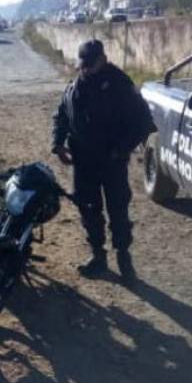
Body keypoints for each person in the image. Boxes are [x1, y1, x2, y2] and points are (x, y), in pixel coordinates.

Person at [52, 39, 154, 282]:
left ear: (103, 60)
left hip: (112, 162)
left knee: (118, 209)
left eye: (90, 64)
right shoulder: (75, 86)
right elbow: (62, 115)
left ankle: (124, 258)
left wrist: (122, 149)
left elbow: (143, 122)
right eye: (83, 64)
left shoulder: (120, 84)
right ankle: (98, 255)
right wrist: (58, 143)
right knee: (88, 208)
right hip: (83, 162)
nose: (85, 69)